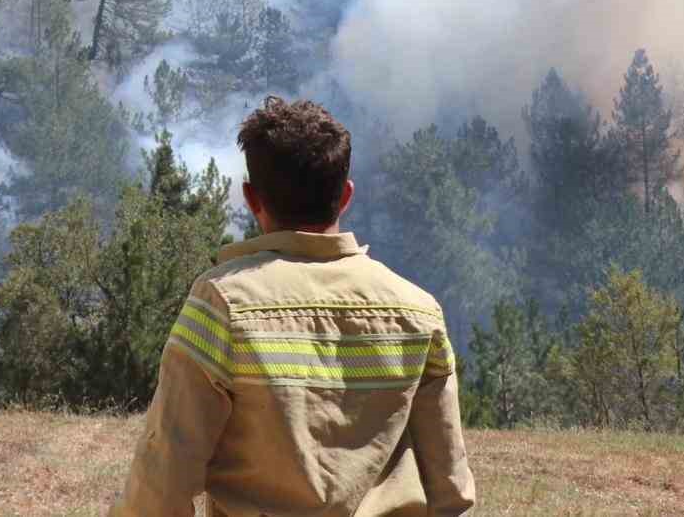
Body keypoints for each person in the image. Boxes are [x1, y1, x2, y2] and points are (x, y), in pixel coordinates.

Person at [111, 95, 476, 517]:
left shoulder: (221, 304)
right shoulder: (419, 312)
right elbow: (451, 490)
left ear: (251, 198)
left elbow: (162, 479)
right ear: (345, 196)